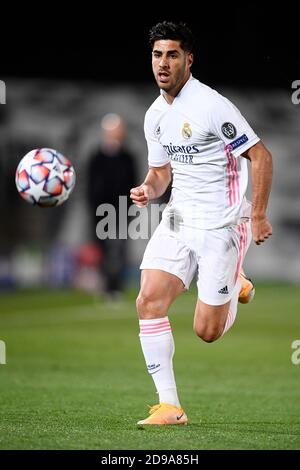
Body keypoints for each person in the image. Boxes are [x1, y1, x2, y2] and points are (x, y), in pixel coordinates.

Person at [130, 21, 273, 425]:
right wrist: (147, 188)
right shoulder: (155, 115)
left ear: (188, 59)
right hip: (178, 217)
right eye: (157, 54)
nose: (163, 63)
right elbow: (160, 173)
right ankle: (170, 406)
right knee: (148, 301)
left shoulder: (212, 106)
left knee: (206, 332)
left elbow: (261, 157)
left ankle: (236, 279)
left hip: (222, 225)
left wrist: (258, 214)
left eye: (172, 54)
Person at [87, 113, 137, 298]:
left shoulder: (128, 158)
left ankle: (116, 287)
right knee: (103, 250)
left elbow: (133, 184)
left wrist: (130, 208)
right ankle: (106, 286)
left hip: (122, 211)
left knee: (119, 250)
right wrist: (94, 210)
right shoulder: (96, 158)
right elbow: (91, 187)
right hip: (100, 212)